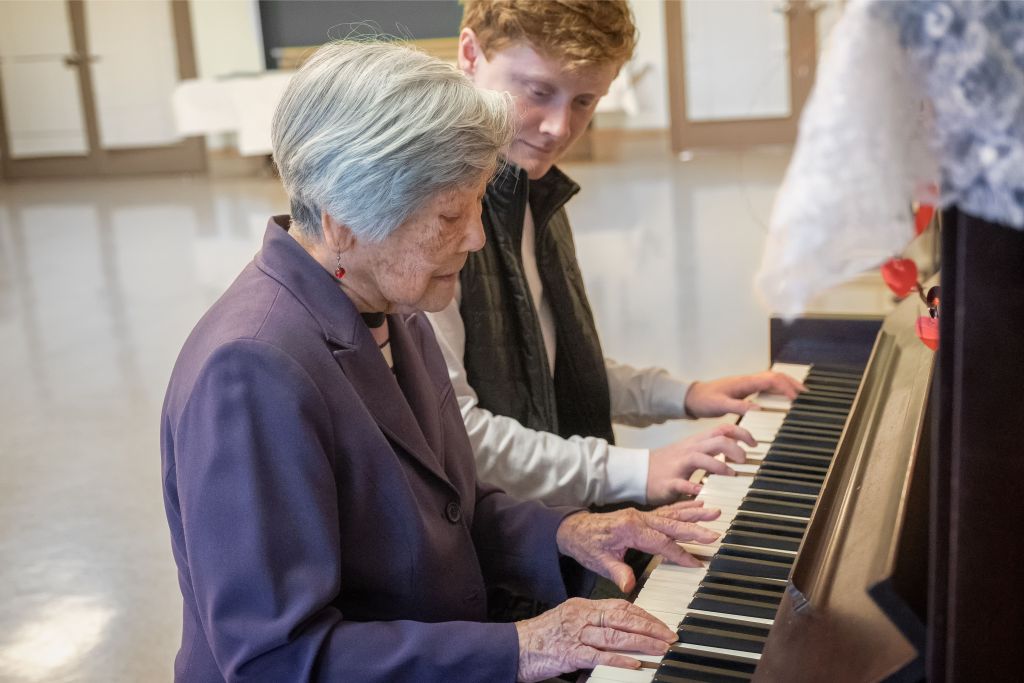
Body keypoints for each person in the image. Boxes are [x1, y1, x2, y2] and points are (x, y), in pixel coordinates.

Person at [160, 41, 724, 682]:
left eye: (479, 202)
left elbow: (449, 508)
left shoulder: (392, 305)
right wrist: (522, 647)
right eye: (450, 214)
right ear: (346, 219)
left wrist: (568, 532)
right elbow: (277, 660)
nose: (478, 237)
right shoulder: (252, 370)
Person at [427, 0, 804, 509]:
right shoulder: (430, 209)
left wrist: (684, 395)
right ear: (470, 53)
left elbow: (553, 370)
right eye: (538, 92)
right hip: (492, 549)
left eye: (585, 100)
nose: (560, 128)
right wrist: (638, 468)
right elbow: (457, 433)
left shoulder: (534, 191)